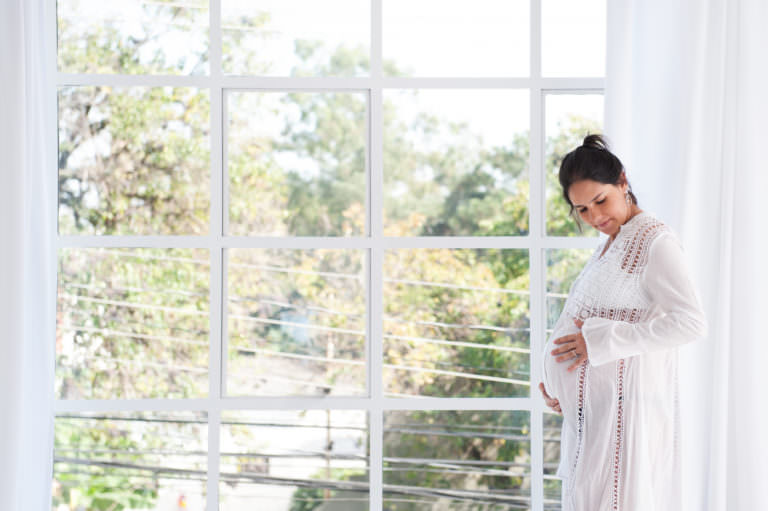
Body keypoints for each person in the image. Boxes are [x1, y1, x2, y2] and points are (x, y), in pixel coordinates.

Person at [538, 134, 708, 510]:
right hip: (595, 419)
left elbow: (690, 322)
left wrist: (598, 342)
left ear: (623, 182)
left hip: (625, 417)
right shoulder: (611, 243)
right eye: (582, 210)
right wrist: (555, 381)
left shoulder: (654, 241)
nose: (595, 217)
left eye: (601, 200)